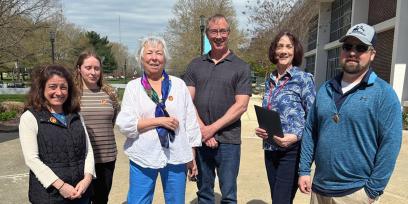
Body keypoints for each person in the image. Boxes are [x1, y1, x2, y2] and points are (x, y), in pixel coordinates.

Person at [298, 23, 402, 204]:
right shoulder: (325, 89)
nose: (352, 53)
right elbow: (310, 130)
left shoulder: (384, 94)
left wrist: (372, 191)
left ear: (372, 55)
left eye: (361, 48)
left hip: (355, 193)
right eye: (347, 47)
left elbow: (390, 144)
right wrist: (304, 170)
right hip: (319, 189)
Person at [115, 36, 202, 204]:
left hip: (176, 154)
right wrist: (159, 121)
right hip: (143, 154)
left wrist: (192, 156)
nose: (154, 57)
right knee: (138, 201)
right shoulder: (134, 88)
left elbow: (190, 122)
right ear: (141, 58)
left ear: (165, 58)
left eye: (159, 53)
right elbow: (126, 124)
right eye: (149, 53)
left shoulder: (178, 85)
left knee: (176, 201)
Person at [183, 14, 252, 203]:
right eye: (214, 31)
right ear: (207, 34)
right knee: (204, 192)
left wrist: (211, 130)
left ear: (229, 33)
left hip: (229, 141)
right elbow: (186, 102)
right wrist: (203, 131)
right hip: (201, 139)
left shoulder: (241, 67)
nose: (219, 36)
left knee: (228, 195)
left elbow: (241, 105)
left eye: (223, 31)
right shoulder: (195, 65)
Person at [19, 65, 95, 204]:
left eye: (63, 87)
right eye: (53, 87)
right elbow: (32, 159)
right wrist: (61, 186)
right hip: (50, 196)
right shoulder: (30, 118)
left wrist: (87, 179)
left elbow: (88, 150)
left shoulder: (76, 115)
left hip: (80, 192)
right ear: (42, 89)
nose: (59, 92)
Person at [255, 31, 316, 204]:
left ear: (295, 51)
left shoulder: (304, 79)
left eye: (288, 46)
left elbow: (314, 118)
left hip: (292, 151)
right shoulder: (270, 79)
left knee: (280, 200)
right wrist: (263, 129)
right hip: (270, 148)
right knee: (278, 198)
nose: (283, 51)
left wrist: (296, 136)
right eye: (279, 46)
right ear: (274, 51)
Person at [74, 50, 120, 204]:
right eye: (88, 68)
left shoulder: (110, 94)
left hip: (107, 157)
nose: (93, 72)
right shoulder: (72, 95)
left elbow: (112, 120)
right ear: (79, 68)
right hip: (81, 159)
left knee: (101, 199)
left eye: (97, 68)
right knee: (82, 199)